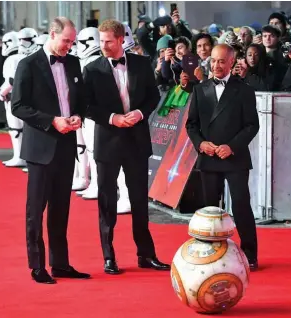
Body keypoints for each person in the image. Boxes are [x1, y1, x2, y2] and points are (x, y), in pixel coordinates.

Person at [83, 19, 170, 275]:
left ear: (121, 40)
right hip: (108, 142)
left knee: (140, 201)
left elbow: (153, 97)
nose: (103, 46)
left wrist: (141, 114)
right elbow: (86, 106)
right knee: (107, 202)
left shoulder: (142, 65)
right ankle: (109, 257)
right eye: (101, 41)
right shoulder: (92, 69)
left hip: (136, 140)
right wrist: (113, 118)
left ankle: (146, 254)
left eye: (108, 41)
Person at [11, 17, 90, 284]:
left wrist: (78, 115)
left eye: (73, 41)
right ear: (52, 35)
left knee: (61, 207)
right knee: (36, 209)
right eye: (66, 40)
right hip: (41, 147)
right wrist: (51, 121)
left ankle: (60, 264)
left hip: (67, 145)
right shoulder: (28, 65)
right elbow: (18, 106)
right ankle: (37, 265)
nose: (70, 45)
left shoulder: (74, 62)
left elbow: (79, 100)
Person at [185, 44, 260, 271]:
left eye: (221, 61)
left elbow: (251, 125)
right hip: (208, 158)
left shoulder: (244, 90)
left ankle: (250, 254)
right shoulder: (200, 89)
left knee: (241, 206)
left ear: (231, 62)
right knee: (209, 210)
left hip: (234, 158)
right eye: (213, 61)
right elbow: (191, 125)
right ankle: (210, 252)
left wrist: (232, 146)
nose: (216, 65)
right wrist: (201, 144)